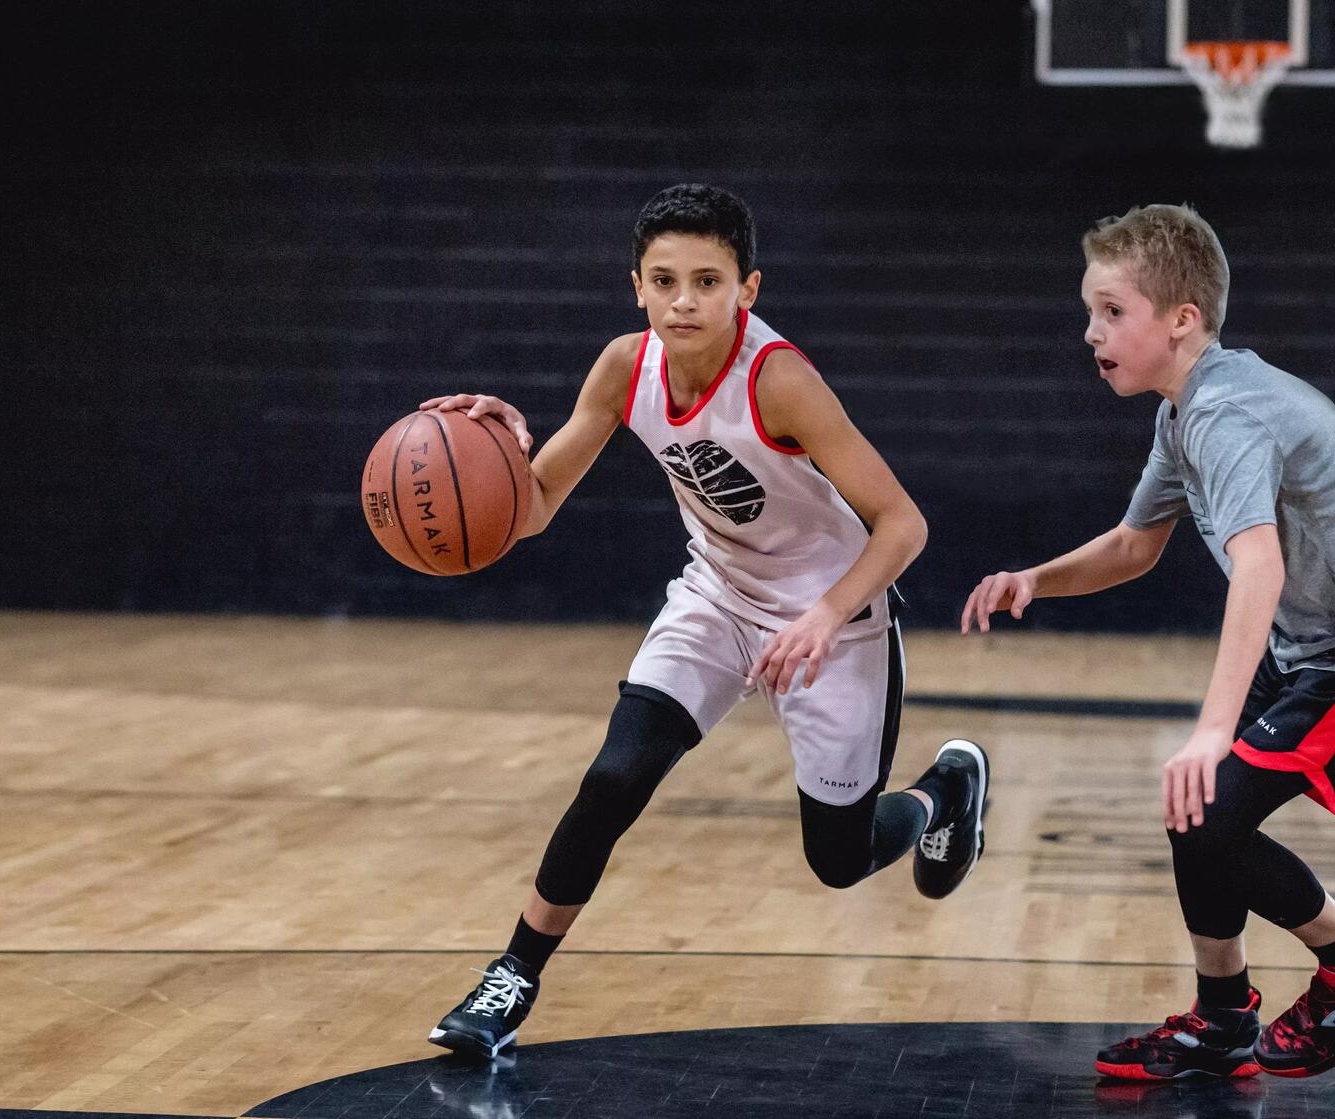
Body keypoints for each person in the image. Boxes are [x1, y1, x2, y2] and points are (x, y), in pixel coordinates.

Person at [422, 183, 991, 1061]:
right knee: (614, 777)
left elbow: (904, 522)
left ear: (747, 290)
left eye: (707, 281)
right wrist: (497, 451)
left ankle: (944, 791)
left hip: (832, 616)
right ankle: (511, 977)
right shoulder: (624, 366)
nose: (683, 300)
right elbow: (531, 508)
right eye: (664, 280)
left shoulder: (782, 381)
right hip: (717, 596)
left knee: (838, 860)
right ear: (637, 287)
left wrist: (826, 614)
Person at [962, 204, 1335, 1081]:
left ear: (1182, 319)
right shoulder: (1183, 410)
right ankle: (1223, 1016)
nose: (1091, 332)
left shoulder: (1227, 412)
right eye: (1091, 312)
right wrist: (1035, 578)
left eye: (1112, 311)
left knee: (1212, 800)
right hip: (1317, 641)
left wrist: (1208, 728)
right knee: (1198, 810)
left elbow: (1257, 567)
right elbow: (1133, 545)